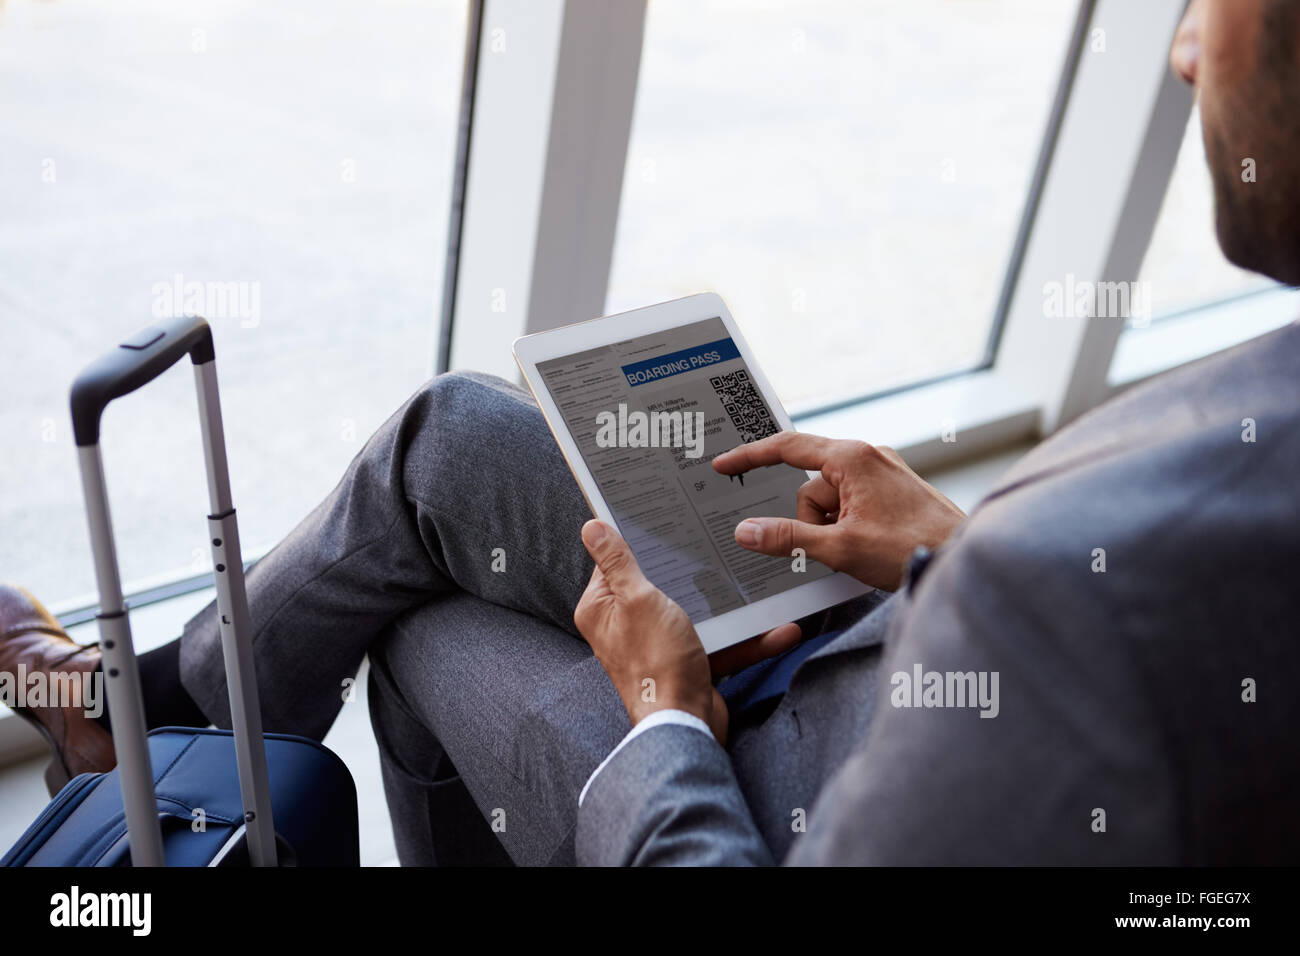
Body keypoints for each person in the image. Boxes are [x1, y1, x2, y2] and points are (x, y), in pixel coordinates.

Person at [2, 0, 1297, 865]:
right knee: (445, 446)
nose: (1185, 44)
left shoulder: (1090, 612)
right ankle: (139, 713)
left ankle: (131, 728)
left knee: (416, 622)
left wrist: (668, 713)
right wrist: (948, 546)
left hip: (777, 784)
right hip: (905, 643)